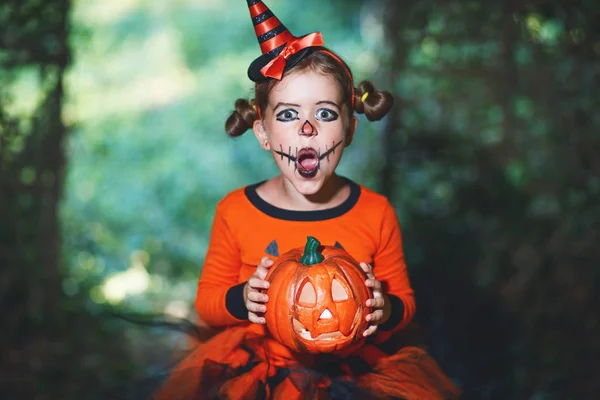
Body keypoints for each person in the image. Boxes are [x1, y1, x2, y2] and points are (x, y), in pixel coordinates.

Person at [150, 1, 461, 399]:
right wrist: (243, 297)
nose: (308, 128)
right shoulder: (236, 211)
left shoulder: (375, 212)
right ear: (262, 132)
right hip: (260, 371)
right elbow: (207, 302)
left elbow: (406, 303)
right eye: (288, 116)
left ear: (349, 128)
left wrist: (386, 310)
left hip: (356, 374)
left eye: (326, 114)